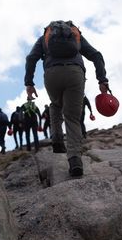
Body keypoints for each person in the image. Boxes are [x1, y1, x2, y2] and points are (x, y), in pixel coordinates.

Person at [24, 20, 109, 176]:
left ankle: (56, 140)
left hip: (52, 74)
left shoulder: (44, 38)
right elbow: (96, 55)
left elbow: (31, 58)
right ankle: (75, 160)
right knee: (72, 117)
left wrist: (29, 83)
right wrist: (102, 79)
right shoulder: (75, 36)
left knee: (55, 105)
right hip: (75, 73)